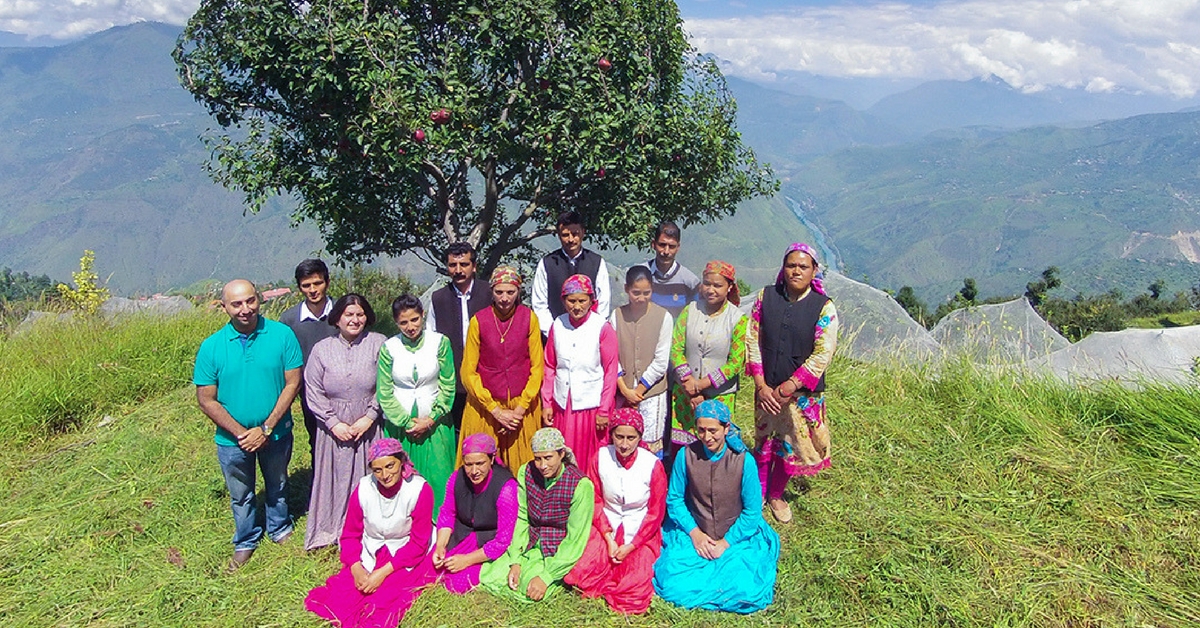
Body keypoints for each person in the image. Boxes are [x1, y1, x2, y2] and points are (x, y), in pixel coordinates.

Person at [194, 279, 303, 570]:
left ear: (259, 299)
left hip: (276, 432)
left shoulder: (282, 335)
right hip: (233, 441)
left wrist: (266, 428)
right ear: (225, 307)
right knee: (241, 494)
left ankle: (279, 527)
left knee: (278, 483)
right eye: (237, 304)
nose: (245, 309)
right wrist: (243, 433)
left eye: (250, 301)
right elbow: (206, 399)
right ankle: (246, 539)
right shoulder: (212, 347)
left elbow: (293, 382)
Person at [653, 400, 780, 614]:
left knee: (747, 587)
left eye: (713, 431)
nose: (707, 437)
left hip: (735, 536)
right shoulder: (685, 456)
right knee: (671, 580)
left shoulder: (743, 461)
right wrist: (695, 534)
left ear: (726, 428)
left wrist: (726, 543)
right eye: (701, 430)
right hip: (695, 530)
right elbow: (674, 500)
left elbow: (752, 511)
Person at [747, 243, 839, 523]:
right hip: (766, 389)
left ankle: (776, 495)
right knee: (763, 441)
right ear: (783, 268)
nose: (795, 271)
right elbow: (752, 338)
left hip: (800, 395)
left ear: (814, 272)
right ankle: (758, 494)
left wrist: (789, 387)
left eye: (803, 266)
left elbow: (824, 351)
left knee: (791, 444)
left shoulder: (824, 307)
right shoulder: (766, 297)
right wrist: (762, 385)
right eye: (791, 265)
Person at [304, 439, 435, 627]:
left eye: (390, 466)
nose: (385, 475)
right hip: (371, 549)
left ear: (402, 462)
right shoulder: (364, 487)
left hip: (404, 553)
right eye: (377, 470)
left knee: (384, 600)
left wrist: (381, 573)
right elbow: (350, 534)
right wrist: (356, 568)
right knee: (346, 595)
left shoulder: (419, 490)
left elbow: (418, 543)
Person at [303, 294, 387, 550]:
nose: (354, 319)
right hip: (333, 428)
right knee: (334, 478)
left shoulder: (379, 343)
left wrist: (370, 416)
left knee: (370, 478)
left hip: (369, 426)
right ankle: (330, 529)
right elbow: (313, 388)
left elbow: (387, 383)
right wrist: (332, 422)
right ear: (337, 317)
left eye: (360, 314)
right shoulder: (322, 349)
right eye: (349, 314)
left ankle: (369, 531)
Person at [565, 409, 666, 615]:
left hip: (640, 530)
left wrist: (631, 546)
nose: (624, 444)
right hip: (607, 523)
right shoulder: (601, 457)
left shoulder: (652, 465)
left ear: (640, 437)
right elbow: (596, 500)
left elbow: (655, 512)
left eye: (631, 438)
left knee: (635, 587)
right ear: (611, 435)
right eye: (619, 437)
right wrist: (608, 537)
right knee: (581, 571)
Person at [480, 428, 595, 602]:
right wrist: (516, 560)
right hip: (529, 543)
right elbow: (522, 516)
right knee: (489, 575)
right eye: (537, 459)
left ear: (561, 454)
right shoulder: (526, 471)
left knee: (530, 588)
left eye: (548, 458)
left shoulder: (581, 485)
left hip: (556, 551)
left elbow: (575, 538)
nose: (542, 466)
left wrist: (547, 576)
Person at [458, 266, 544, 471]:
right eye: (499, 292)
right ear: (491, 291)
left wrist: (520, 409)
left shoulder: (529, 318)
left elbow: (537, 367)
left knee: (523, 468)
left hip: (521, 407)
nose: (504, 298)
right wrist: (495, 410)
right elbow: (468, 372)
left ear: (518, 292)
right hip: (485, 406)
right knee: (479, 468)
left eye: (510, 292)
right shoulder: (478, 321)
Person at [377, 294, 457, 511]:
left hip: (436, 423)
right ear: (396, 322)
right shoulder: (389, 348)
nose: (410, 327)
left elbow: (448, 384)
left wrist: (430, 420)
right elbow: (384, 391)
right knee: (401, 478)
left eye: (414, 320)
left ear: (423, 316)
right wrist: (406, 422)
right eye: (403, 322)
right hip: (401, 426)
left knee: (439, 477)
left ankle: (440, 528)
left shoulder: (439, 342)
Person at [668, 261, 748, 454]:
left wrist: (702, 385)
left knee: (713, 446)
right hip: (685, 394)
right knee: (684, 449)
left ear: (729, 287)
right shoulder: (690, 311)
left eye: (717, 285)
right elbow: (676, 347)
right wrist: (690, 385)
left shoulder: (738, 319)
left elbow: (736, 361)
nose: (711, 290)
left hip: (720, 396)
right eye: (707, 284)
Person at [541, 274, 618, 472]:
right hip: (562, 406)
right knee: (562, 452)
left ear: (591, 301)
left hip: (590, 407)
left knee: (589, 456)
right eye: (571, 301)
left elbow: (610, 371)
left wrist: (603, 410)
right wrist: (547, 402)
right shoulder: (558, 324)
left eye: (582, 301)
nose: (577, 306)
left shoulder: (602, 327)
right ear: (563, 301)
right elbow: (550, 365)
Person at [432, 434, 519, 594]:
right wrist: (440, 545)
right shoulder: (456, 478)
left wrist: (466, 560)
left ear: (492, 459)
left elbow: (503, 540)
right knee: (430, 570)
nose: (474, 471)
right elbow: (448, 513)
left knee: (455, 584)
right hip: (462, 534)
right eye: (468, 464)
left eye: (480, 464)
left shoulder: (507, 489)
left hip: (487, 542)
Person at [427, 242, 492, 432]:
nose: (458, 270)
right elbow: (433, 342)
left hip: (486, 379)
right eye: (452, 265)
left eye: (463, 264)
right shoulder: (438, 299)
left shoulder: (490, 294)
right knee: (457, 434)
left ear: (474, 266)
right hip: (453, 383)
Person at [279, 259, 339, 462]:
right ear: (299, 288)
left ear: (327, 282)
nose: (313, 290)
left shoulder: (344, 312)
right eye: (306, 285)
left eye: (318, 283)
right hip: (310, 394)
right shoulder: (289, 320)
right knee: (317, 442)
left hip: (345, 391)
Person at [610, 266, 673, 457]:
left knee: (650, 445)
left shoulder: (664, 317)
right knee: (623, 442)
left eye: (647, 293)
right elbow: (612, 356)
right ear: (626, 289)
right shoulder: (616, 316)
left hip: (652, 393)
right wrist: (624, 390)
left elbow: (661, 361)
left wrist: (637, 392)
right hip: (623, 390)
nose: (641, 298)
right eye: (636, 293)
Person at [531, 210, 611, 337]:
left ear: (583, 233)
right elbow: (539, 304)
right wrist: (554, 332)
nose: (571, 239)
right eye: (565, 235)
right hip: (554, 336)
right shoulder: (547, 263)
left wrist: (593, 331)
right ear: (558, 235)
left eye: (575, 234)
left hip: (590, 336)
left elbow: (603, 301)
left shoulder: (596, 262)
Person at [640, 221, 700, 318]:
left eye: (671, 246)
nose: (666, 252)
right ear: (653, 244)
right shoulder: (640, 275)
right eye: (662, 245)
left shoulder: (690, 282)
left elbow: (695, 318)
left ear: (678, 248)